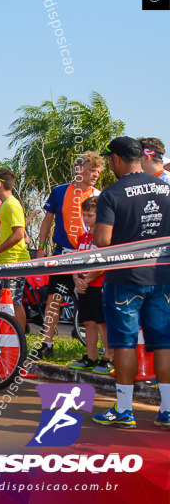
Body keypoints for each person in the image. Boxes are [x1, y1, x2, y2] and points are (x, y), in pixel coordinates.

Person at [90, 137, 170, 429]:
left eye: (110, 160)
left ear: (116, 160)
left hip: (125, 278)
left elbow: (101, 240)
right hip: (163, 276)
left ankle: (124, 409)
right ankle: (168, 410)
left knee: (123, 344)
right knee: (163, 343)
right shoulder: (167, 188)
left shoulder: (112, 193)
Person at [35, 152, 104, 358]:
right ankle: (47, 341)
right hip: (63, 254)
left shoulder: (100, 195)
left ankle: (100, 352)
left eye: (98, 172)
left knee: (93, 306)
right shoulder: (59, 191)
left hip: (89, 256)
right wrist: (40, 248)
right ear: (79, 169)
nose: (95, 175)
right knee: (54, 298)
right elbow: (47, 220)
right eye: (92, 170)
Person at [68, 197, 112, 375]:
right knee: (88, 321)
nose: (86, 218)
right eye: (84, 215)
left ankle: (109, 358)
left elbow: (104, 263)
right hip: (83, 285)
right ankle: (90, 357)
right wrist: (76, 279)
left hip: (98, 284)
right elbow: (74, 261)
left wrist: (87, 280)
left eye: (91, 215)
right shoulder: (82, 237)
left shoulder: (104, 237)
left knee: (103, 323)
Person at [0, 169, 31, 331]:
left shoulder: (12, 205)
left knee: (14, 301)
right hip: (5, 261)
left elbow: (19, 234)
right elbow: (2, 234)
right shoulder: (4, 205)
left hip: (15, 261)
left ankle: (19, 339)